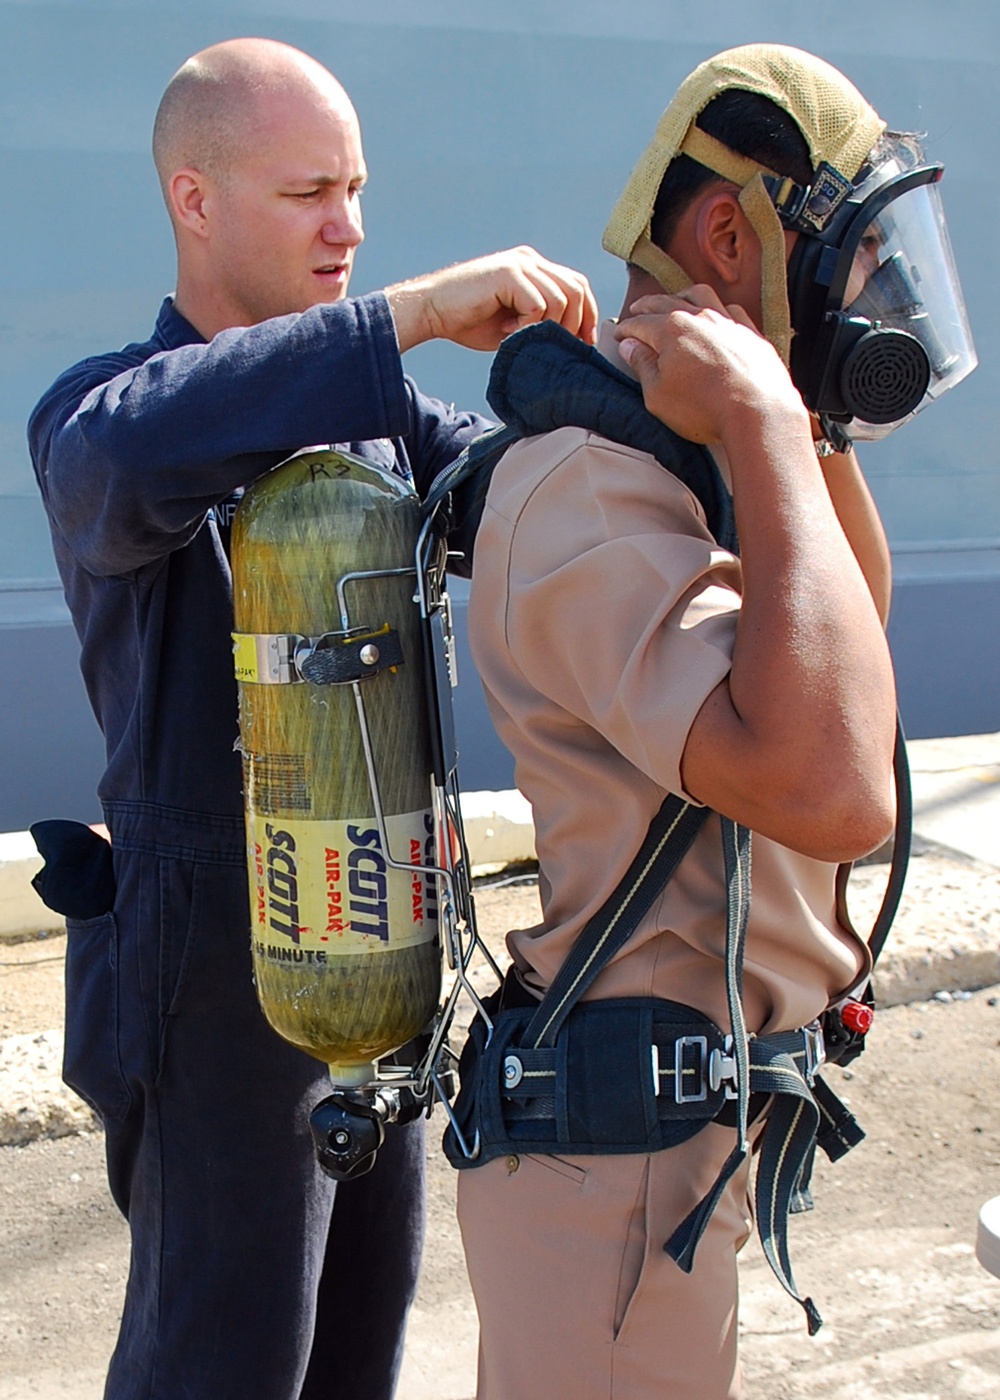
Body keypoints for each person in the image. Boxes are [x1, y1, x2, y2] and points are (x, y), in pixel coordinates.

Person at [27, 36, 596, 1400]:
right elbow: (132, 454)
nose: (347, 225)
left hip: (377, 935)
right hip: (212, 966)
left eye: (357, 188)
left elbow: (536, 506)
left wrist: (672, 404)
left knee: (356, 1350)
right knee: (221, 1360)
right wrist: (403, 313)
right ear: (194, 198)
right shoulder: (100, 420)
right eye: (308, 195)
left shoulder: (377, 421)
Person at [454, 42, 975, 1399]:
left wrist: (790, 428)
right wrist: (755, 412)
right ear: (732, 238)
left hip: (684, 1155)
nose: (882, 304)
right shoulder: (587, 487)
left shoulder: (714, 464)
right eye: (854, 266)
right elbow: (833, 782)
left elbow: (849, 645)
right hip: (611, 1180)